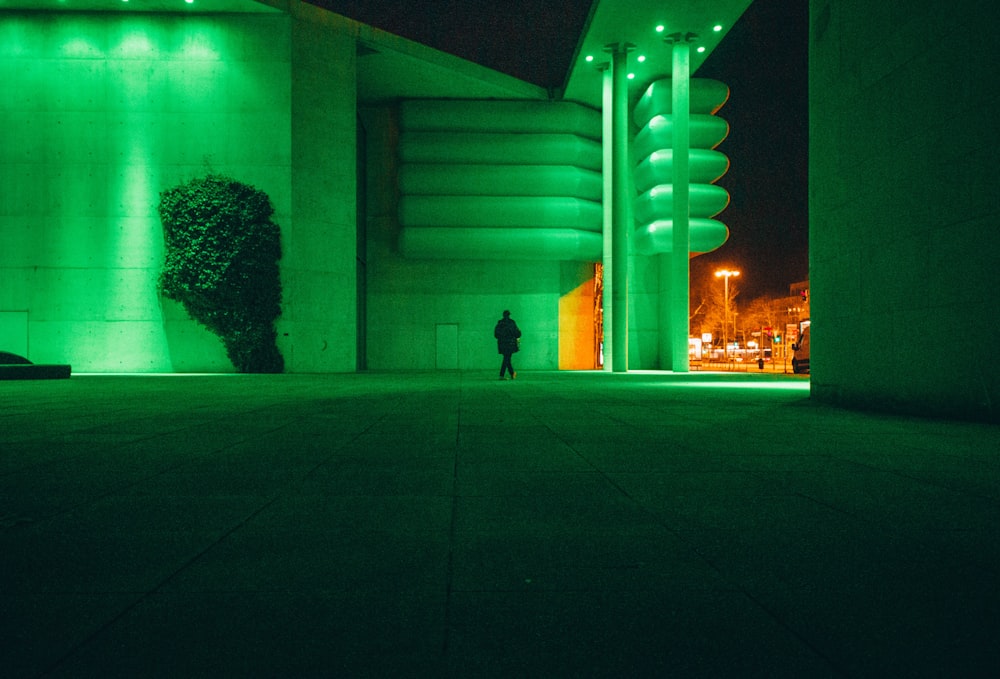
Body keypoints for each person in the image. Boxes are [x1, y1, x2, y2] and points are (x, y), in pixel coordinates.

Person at [494, 310, 521, 380]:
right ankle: (501, 375)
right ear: (509, 315)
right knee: (507, 358)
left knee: (507, 358)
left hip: (502, 344)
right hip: (510, 344)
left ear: (503, 315)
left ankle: (512, 374)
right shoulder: (512, 322)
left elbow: (496, 335)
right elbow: (517, 333)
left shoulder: (500, 323)